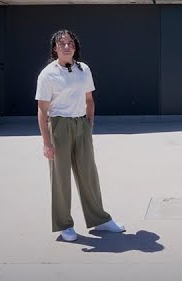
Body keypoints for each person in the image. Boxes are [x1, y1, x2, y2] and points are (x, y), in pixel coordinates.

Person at [35, 29, 125, 242]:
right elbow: (42, 110)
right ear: (55, 48)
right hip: (59, 126)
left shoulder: (83, 70)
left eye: (70, 43)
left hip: (81, 124)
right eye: (62, 43)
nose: (66, 46)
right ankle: (64, 225)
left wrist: (88, 125)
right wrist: (47, 142)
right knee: (61, 178)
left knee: (89, 174)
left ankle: (100, 219)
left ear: (75, 47)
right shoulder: (48, 74)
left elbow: (89, 99)